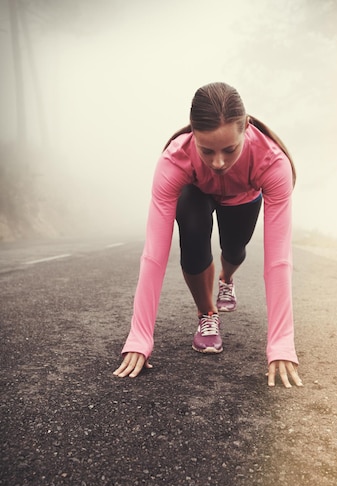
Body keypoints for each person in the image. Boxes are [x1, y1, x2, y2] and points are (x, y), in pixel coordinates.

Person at [113, 82, 302, 388]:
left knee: (234, 250)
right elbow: (154, 257)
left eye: (230, 150)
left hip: (244, 199)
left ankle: (227, 279)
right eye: (206, 151)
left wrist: (281, 344)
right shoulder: (174, 160)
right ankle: (207, 313)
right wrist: (139, 337)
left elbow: (278, 260)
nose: (217, 163)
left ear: (246, 129)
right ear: (193, 136)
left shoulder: (272, 161)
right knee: (191, 219)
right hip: (198, 195)